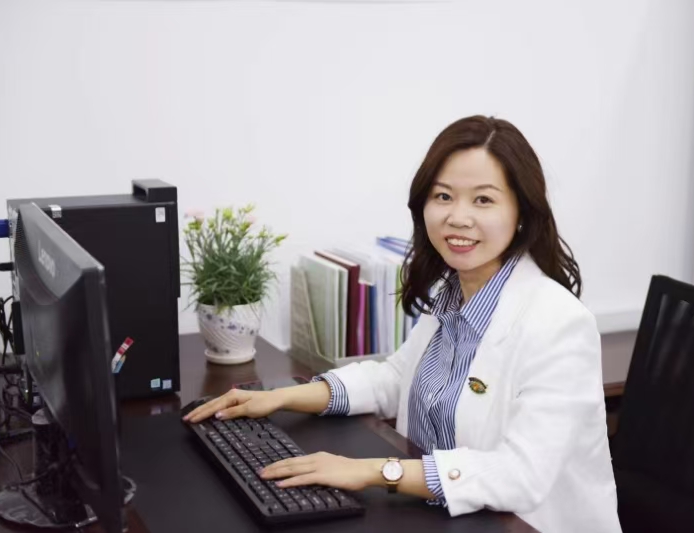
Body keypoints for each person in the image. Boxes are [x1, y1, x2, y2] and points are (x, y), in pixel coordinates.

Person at [185, 115, 621, 533]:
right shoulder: (454, 289)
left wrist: (374, 472)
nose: (458, 217)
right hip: (446, 516)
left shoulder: (560, 325)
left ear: (522, 213)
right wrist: (283, 397)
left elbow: (520, 475)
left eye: (483, 200)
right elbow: (395, 378)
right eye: (443, 196)